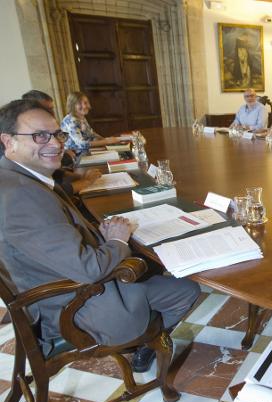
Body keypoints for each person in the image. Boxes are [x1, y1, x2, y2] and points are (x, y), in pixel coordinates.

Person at [0, 100, 201, 372]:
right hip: (76, 309)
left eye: (58, 134)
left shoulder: (16, 178)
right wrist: (116, 241)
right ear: (8, 141)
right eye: (39, 136)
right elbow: (90, 268)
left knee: (151, 265)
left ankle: (140, 336)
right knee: (186, 290)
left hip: (52, 289)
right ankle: (141, 340)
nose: (56, 143)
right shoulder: (24, 197)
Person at [21, 90, 102, 194]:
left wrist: (81, 177)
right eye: (46, 110)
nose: (53, 115)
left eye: (52, 109)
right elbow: (49, 192)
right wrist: (84, 181)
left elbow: (55, 173)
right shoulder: (26, 141)